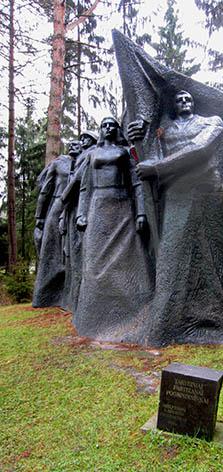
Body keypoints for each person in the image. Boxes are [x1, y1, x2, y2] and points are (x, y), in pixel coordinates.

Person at [128, 90, 223, 346]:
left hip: (209, 190)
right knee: (172, 254)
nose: (184, 101)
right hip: (177, 194)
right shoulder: (164, 129)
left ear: (194, 102)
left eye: (188, 98)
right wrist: (137, 140)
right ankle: (167, 324)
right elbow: (150, 156)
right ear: (174, 105)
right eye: (178, 99)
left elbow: (199, 149)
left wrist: (157, 168)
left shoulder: (212, 121)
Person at [73, 117, 154, 340]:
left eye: (112, 125)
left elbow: (136, 183)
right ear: (100, 130)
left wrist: (140, 212)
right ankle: (94, 314)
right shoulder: (91, 155)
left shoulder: (126, 152)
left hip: (122, 205)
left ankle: (136, 310)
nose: (108, 128)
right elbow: (84, 187)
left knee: (129, 259)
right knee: (95, 260)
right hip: (98, 205)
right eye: (104, 125)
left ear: (117, 129)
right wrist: (81, 213)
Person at [33, 140, 81, 307]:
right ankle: (45, 294)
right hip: (57, 206)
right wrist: (39, 216)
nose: (76, 146)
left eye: (79, 144)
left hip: (77, 207)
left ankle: (71, 295)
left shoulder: (86, 160)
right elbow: (45, 191)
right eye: (73, 144)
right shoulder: (59, 163)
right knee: (51, 250)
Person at [60, 131, 98, 311]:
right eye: (81, 138)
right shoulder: (81, 157)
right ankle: (74, 300)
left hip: (83, 207)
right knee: (74, 255)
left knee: (79, 254)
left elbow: (78, 182)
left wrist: (64, 199)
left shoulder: (90, 154)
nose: (81, 142)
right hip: (75, 207)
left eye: (85, 139)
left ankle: (79, 301)